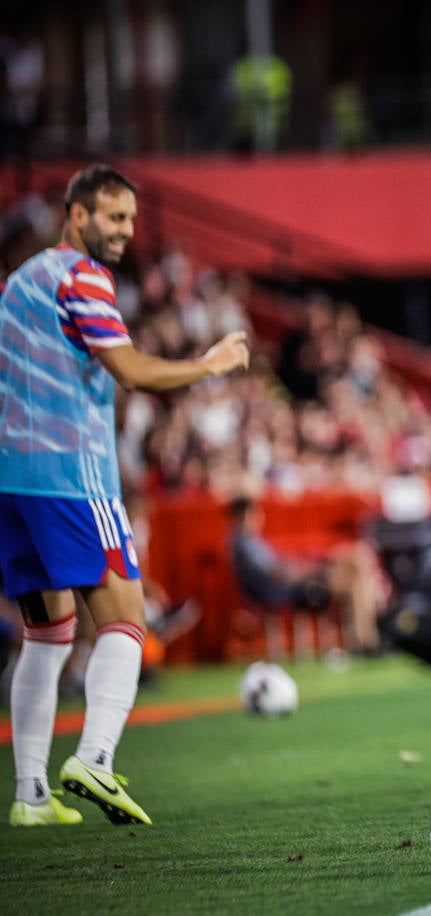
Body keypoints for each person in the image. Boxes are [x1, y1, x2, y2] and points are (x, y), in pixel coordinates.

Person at [1, 164, 250, 827]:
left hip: (13, 480)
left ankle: (30, 796)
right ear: (75, 215)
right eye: (112, 217)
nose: (125, 231)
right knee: (127, 619)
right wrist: (211, 363)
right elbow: (131, 370)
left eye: (131, 219)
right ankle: (97, 758)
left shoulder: (19, 282)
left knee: (48, 633)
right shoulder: (82, 278)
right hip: (72, 476)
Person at [227, 494, 385, 659]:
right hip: (288, 587)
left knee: (357, 569)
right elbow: (274, 573)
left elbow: (277, 567)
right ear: (245, 515)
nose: (260, 518)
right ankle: (369, 635)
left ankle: (367, 637)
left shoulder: (251, 541)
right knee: (356, 567)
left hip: (294, 580)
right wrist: (303, 569)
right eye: (256, 514)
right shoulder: (243, 543)